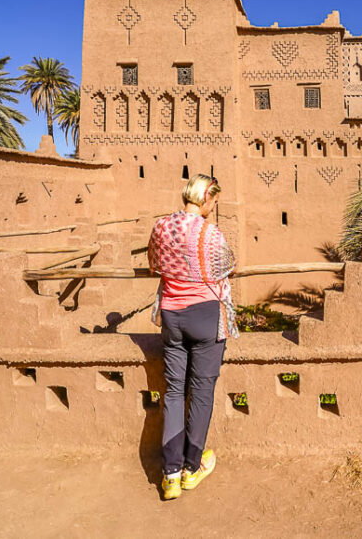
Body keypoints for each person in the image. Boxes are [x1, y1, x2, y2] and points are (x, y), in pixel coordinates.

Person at [147, 173, 239, 501]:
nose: (213, 209)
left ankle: (169, 475)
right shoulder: (209, 233)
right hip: (205, 316)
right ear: (204, 198)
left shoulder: (160, 227)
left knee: (174, 391)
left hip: (171, 315)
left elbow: (153, 264)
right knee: (201, 391)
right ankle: (191, 468)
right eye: (213, 202)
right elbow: (227, 265)